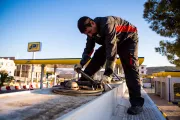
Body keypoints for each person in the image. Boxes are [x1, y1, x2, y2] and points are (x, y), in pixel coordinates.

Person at [74, 16, 144, 115]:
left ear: (93, 23)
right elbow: (89, 49)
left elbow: (111, 51)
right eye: (87, 34)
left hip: (129, 38)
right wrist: (81, 63)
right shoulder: (90, 33)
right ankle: (85, 80)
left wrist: (108, 73)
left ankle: (137, 103)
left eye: (90, 32)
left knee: (130, 67)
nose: (90, 35)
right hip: (113, 40)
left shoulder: (107, 24)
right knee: (98, 54)